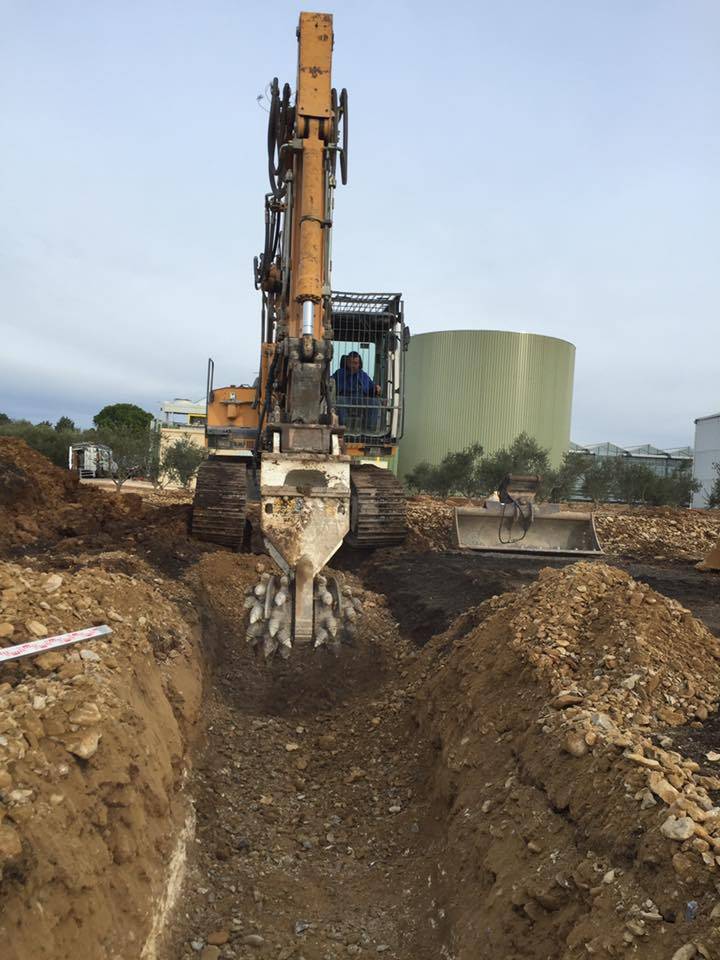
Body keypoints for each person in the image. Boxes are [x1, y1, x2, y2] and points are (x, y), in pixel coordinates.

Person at [332, 351, 381, 430]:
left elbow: (371, 389)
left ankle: (369, 431)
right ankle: (342, 429)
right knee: (340, 400)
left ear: (359, 364)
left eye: (355, 363)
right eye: (350, 363)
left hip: (361, 400)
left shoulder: (363, 375)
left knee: (374, 402)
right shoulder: (339, 373)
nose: (352, 366)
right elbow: (331, 382)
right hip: (345, 399)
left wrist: (376, 389)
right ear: (347, 363)